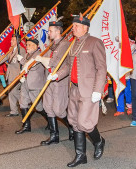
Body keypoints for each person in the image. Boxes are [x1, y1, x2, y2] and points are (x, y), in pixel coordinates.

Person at [65, 14, 107, 167]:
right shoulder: (73, 44)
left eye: (76, 26)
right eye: (73, 25)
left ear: (85, 27)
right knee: (74, 122)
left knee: (85, 123)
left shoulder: (94, 42)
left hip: (89, 90)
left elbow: (102, 68)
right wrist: (56, 74)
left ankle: (99, 141)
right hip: (74, 88)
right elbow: (68, 66)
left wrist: (98, 90)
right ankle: (80, 155)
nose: (73, 28)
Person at [35, 20, 74, 145]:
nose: (49, 33)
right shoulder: (51, 45)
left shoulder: (65, 44)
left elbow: (54, 63)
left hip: (59, 81)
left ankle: (72, 128)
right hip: (48, 80)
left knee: (58, 110)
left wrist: (42, 59)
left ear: (58, 31)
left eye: (51, 31)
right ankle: (54, 135)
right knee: (48, 108)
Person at [15, 38, 48, 134]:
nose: (27, 46)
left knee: (38, 107)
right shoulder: (27, 55)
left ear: (35, 46)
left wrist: (21, 60)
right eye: (27, 44)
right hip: (25, 83)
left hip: (35, 84)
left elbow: (30, 65)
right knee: (23, 103)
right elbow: (25, 66)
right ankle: (26, 126)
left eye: (29, 45)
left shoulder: (39, 55)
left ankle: (50, 121)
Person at [0, 34, 26, 117]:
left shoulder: (21, 50)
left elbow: (23, 62)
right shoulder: (11, 50)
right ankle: (14, 111)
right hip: (10, 75)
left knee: (14, 91)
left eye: (13, 40)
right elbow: (4, 58)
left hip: (17, 75)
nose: (11, 41)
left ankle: (25, 106)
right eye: (11, 40)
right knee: (11, 93)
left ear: (18, 41)